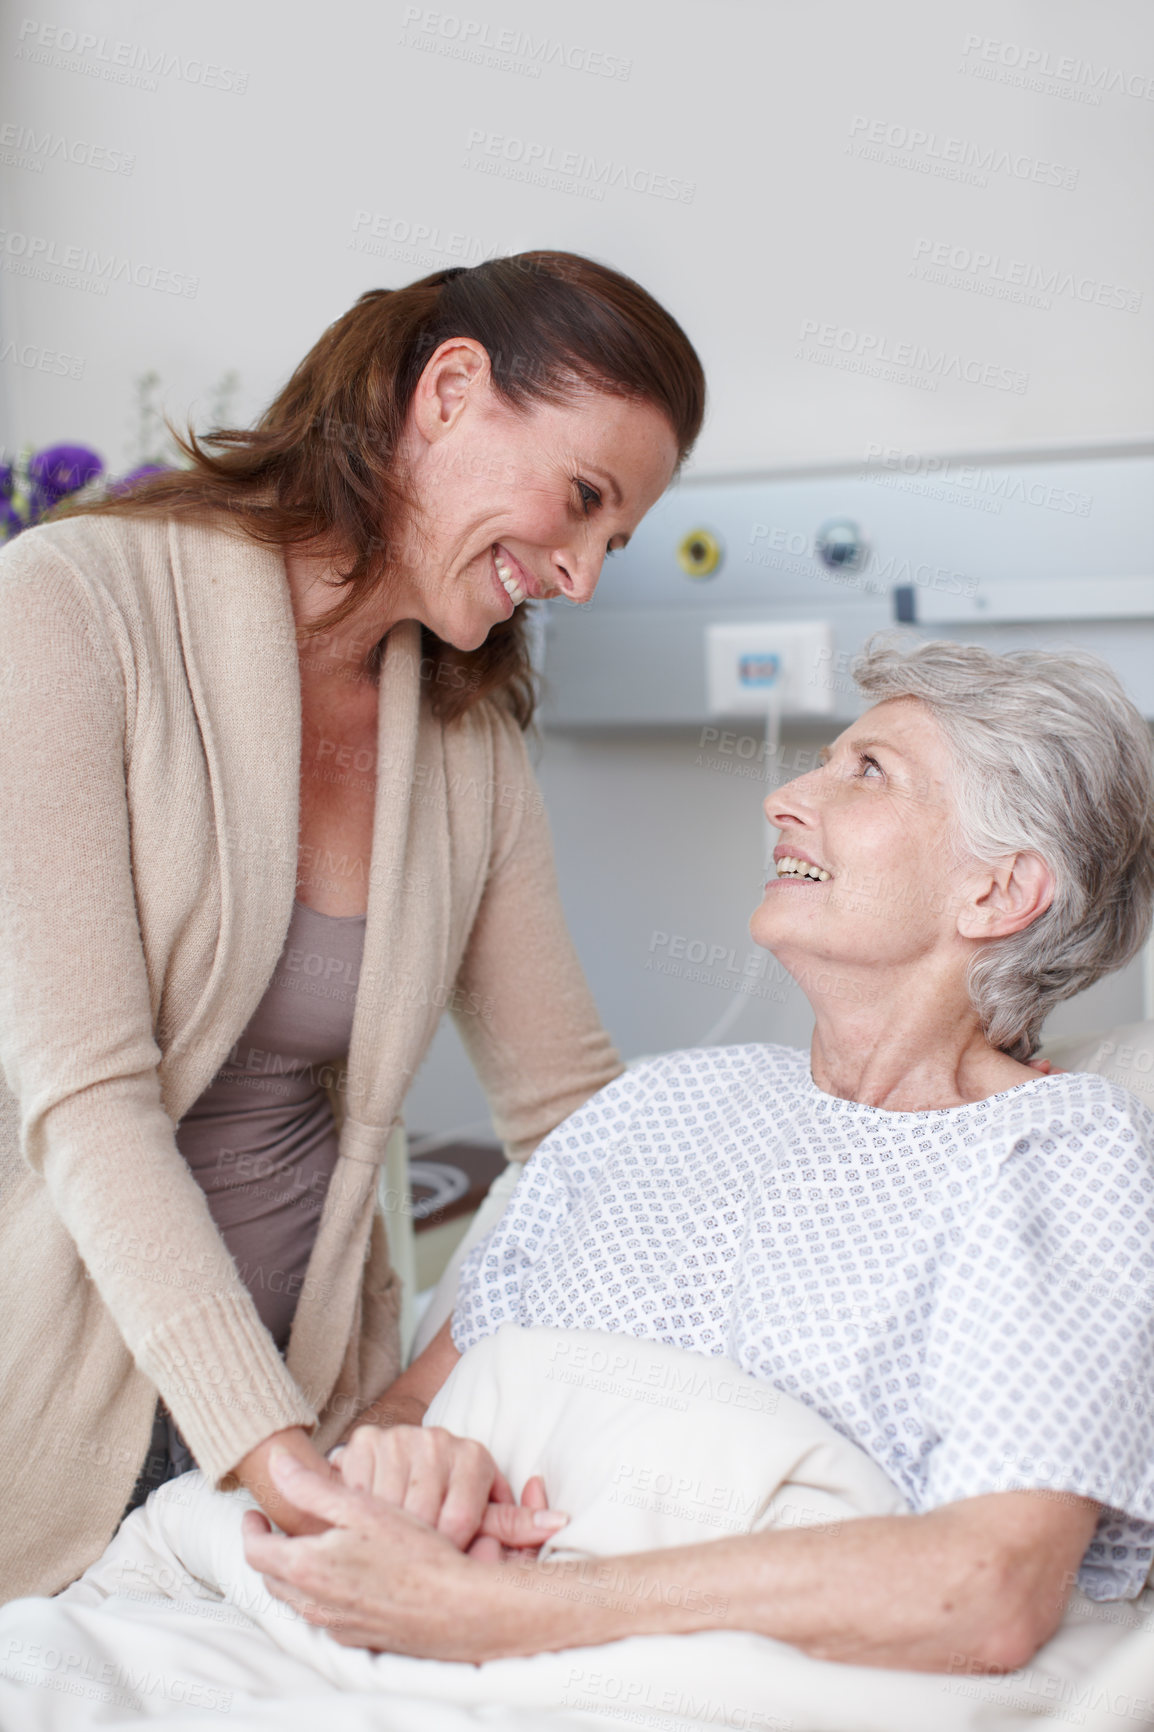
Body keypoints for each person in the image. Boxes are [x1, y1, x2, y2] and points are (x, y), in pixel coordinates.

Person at [0, 252, 705, 1601]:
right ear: (448, 392)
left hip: (323, 1394)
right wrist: (278, 1465)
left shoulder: (465, 737)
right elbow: (88, 1098)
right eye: (581, 502)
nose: (581, 575)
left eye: (610, 540)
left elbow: (568, 1123)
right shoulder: (73, 607)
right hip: (68, 1408)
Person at [242, 637, 1154, 1676]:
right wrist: (409, 1460)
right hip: (437, 1621)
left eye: (867, 772)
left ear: (995, 893)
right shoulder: (658, 1101)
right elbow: (416, 1398)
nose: (783, 797)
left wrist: (504, 1607)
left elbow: (983, 1588)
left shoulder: (1055, 1155)